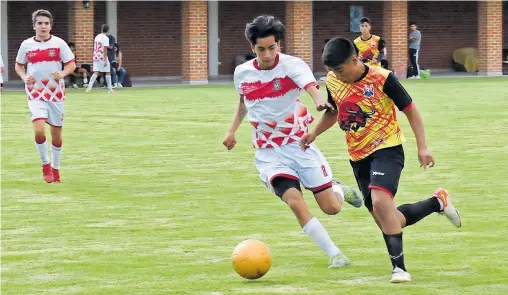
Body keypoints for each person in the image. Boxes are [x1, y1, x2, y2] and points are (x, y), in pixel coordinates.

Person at [300, 37, 462, 282]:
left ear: (355, 60)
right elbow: (336, 113)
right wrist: (313, 133)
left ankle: (400, 269)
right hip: (358, 156)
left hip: (388, 147)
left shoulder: (383, 78)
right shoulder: (334, 80)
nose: (336, 75)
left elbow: (411, 111)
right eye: (332, 71)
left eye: (340, 70)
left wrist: (423, 147)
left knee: (380, 200)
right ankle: (437, 202)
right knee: (389, 219)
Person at [223, 15, 363, 268]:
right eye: (261, 49)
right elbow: (244, 102)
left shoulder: (292, 66)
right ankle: (335, 254)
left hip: (299, 145)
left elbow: (311, 86)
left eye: (272, 48)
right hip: (268, 153)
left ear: (280, 45)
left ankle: (339, 189)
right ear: (252, 48)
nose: (267, 54)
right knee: (295, 202)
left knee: (331, 208)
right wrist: (232, 131)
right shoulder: (242, 73)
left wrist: (319, 100)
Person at [14, 9, 76, 183]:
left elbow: (71, 64)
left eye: (46, 23)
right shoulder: (27, 45)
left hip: (56, 94)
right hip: (35, 93)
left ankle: (56, 169)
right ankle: (45, 164)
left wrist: (62, 74)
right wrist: (25, 77)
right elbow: (19, 66)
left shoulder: (59, 44)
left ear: (50, 26)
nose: (43, 26)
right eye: (40, 23)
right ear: (34, 26)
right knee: (39, 129)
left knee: (56, 134)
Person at [85, 24, 114, 93]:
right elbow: (105, 49)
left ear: (101, 29)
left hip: (96, 56)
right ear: (108, 30)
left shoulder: (97, 37)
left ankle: (89, 88)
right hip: (102, 56)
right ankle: (110, 89)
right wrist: (105, 59)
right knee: (108, 72)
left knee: (96, 72)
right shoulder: (106, 38)